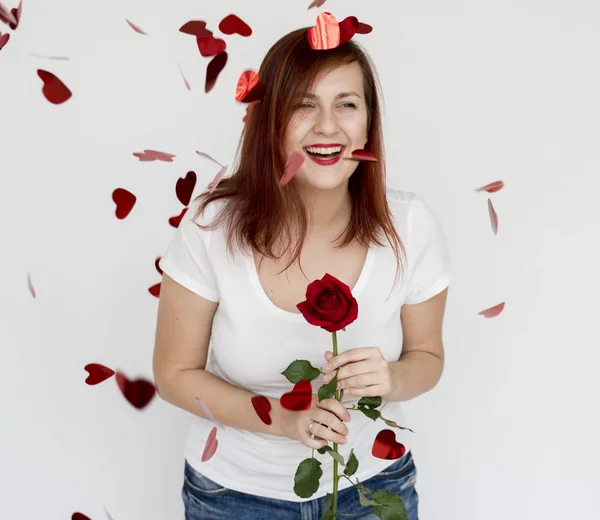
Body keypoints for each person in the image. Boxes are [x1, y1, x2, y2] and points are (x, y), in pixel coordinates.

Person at [153, 23, 452, 520]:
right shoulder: (210, 225)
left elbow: (428, 357)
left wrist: (391, 379)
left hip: (374, 489)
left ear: (368, 123)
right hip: (233, 497)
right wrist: (286, 421)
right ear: (270, 119)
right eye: (303, 104)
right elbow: (174, 374)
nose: (328, 127)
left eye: (347, 104)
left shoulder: (412, 225)